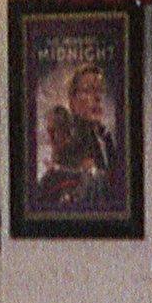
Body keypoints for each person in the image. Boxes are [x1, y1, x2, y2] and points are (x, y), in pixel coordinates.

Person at [34, 58, 120, 210]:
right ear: (72, 100)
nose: (97, 97)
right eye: (88, 91)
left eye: (99, 90)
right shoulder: (71, 139)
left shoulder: (105, 137)